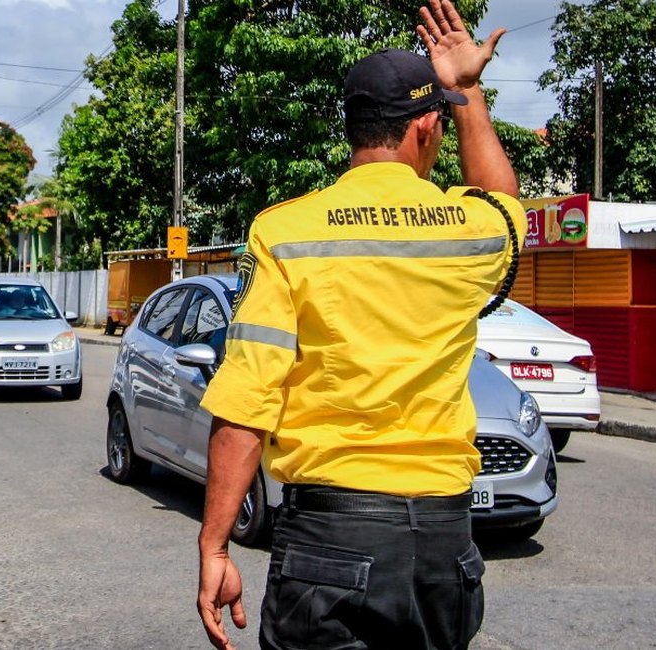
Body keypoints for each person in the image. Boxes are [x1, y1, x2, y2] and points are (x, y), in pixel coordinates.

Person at [195, 2, 524, 649]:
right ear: (429, 128)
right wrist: (468, 89)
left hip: (329, 542)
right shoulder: (467, 232)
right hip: (440, 546)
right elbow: (504, 202)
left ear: (353, 128)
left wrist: (214, 544)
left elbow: (247, 401)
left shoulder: (286, 232)